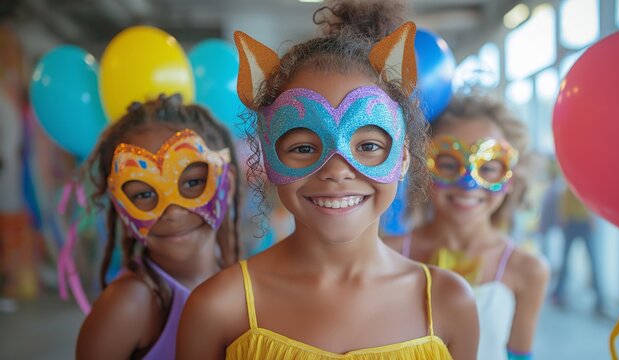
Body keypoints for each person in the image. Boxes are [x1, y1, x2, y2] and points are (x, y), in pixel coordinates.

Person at [177, 1, 479, 359]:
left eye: (368, 145)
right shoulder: (218, 308)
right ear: (269, 157)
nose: (336, 170)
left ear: (402, 158)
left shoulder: (448, 303)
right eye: (304, 147)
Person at [76, 93, 241, 360]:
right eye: (143, 194)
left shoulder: (244, 285)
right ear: (120, 207)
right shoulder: (130, 304)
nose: (173, 213)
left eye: (192, 183)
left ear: (228, 183)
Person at [386, 94, 549, 360]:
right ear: (422, 168)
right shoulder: (387, 254)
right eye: (449, 164)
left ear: (510, 178)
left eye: (489, 168)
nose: (468, 184)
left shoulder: (527, 271)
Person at [551, 184, 604, 313]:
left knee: (593, 261)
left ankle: (600, 301)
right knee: (565, 261)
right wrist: (563, 217)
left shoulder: (590, 183)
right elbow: (563, 198)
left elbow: (593, 200)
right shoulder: (569, 183)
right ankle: (559, 294)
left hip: (585, 222)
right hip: (571, 222)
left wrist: (592, 218)